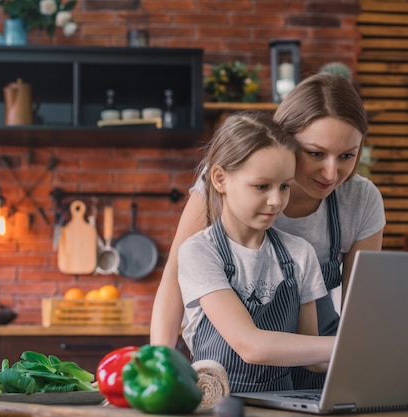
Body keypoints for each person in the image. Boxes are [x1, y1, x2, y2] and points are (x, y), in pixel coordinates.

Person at [150, 73, 386, 389]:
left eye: (347, 155)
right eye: (316, 153)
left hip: (314, 360)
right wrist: (159, 364)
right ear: (284, 138)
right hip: (225, 374)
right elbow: (176, 278)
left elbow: (361, 308)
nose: (332, 173)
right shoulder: (228, 184)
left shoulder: (359, 200)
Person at [178, 110, 333, 393]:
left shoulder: (300, 253)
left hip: (282, 404)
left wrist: (376, 350)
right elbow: (249, 345)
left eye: (284, 186)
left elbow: (312, 355)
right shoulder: (200, 252)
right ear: (220, 179)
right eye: (262, 186)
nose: (276, 201)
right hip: (217, 404)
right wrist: (349, 344)